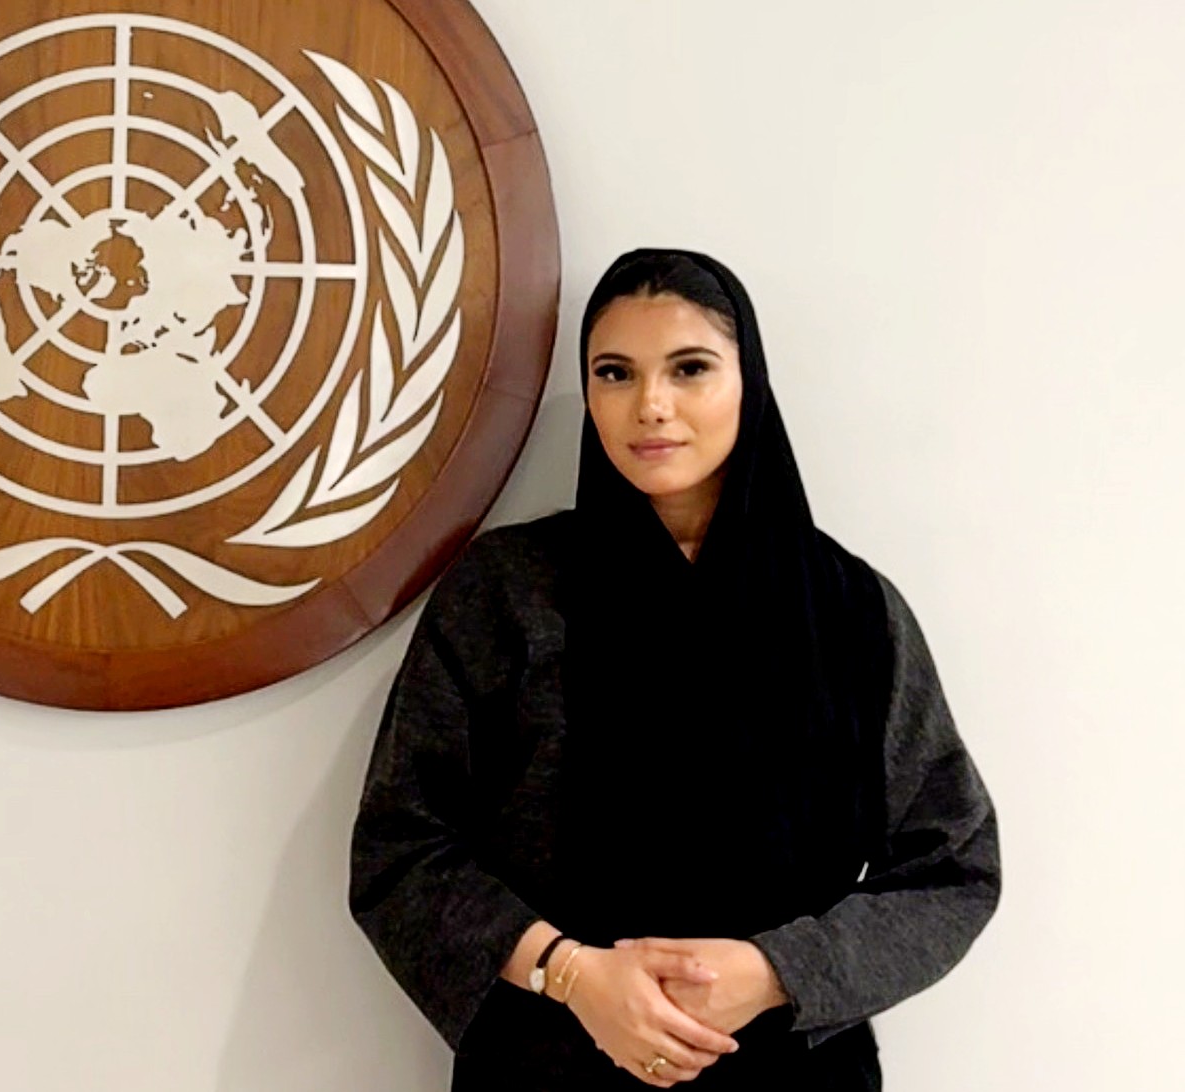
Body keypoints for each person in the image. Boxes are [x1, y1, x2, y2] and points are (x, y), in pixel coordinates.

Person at [348, 249, 1002, 1090]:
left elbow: (954, 865)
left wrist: (777, 970)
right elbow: (399, 849)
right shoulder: (506, 592)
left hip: (794, 1072)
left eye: (689, 368)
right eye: (614, 373)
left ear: (748, 382)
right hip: (548, 1068)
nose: (650, 406)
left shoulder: (850, 611)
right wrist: (573, 975)